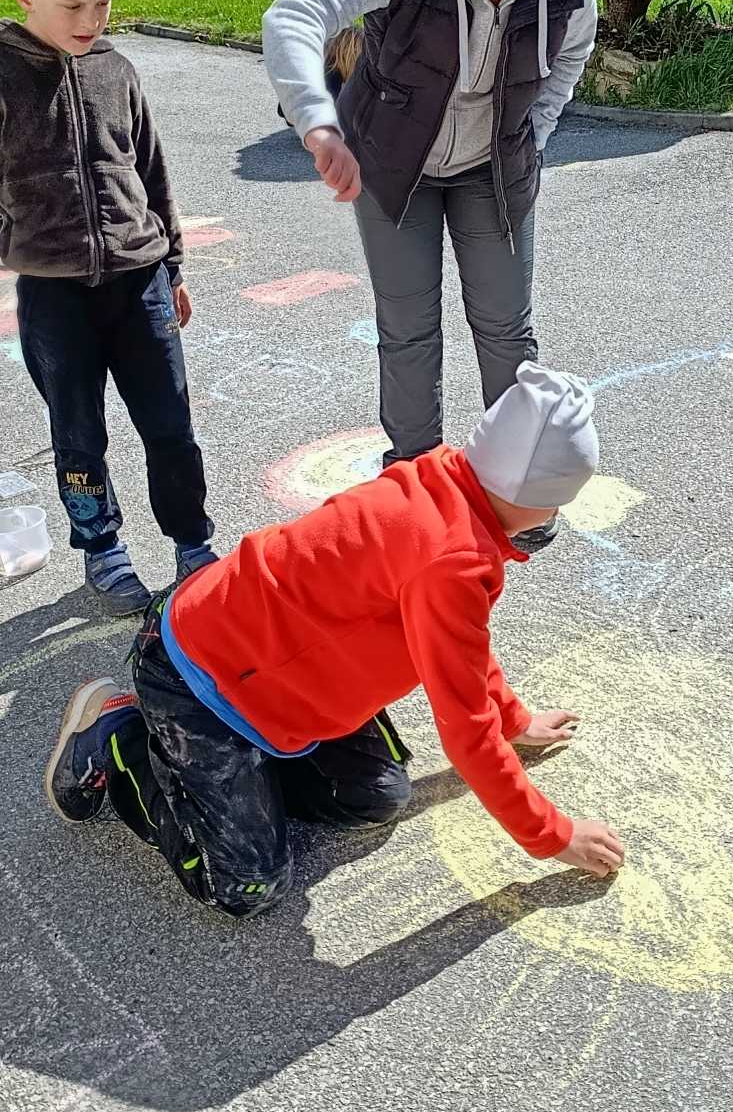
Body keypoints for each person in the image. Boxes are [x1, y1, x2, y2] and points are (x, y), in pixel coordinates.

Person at [43, 362, 627, 915]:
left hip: (274, 670)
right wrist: (553, 835)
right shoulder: (450, 563)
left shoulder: (445, 479)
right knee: (246, 886)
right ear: (534, 497)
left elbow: (463, 653)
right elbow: (465, 730)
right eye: (558, 501)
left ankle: (233, 780)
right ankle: (121, 742)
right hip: (195, 674)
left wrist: (515, 721)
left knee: (375, 799)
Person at [262, 0, 599, 546]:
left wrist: (533, 133)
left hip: (494, 169)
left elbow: (572, 53)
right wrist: (318, 123)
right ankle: (412, 487)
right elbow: (295, 12)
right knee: (408, 329)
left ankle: (518, 487)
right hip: (392, 166)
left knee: (506, 329)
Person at [0, 0, 216, 614]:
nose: (91, 20)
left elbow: (151, 172)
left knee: (170, 425)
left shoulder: (116, 68)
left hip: (139, 280)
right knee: (78, 434)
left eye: (103, 3)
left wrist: (173, 265)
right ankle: (102, 547)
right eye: (73, 6)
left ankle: (192, 542)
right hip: (54, 294)